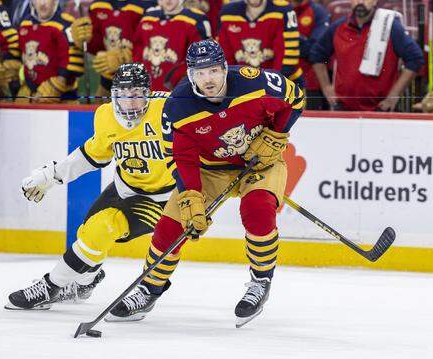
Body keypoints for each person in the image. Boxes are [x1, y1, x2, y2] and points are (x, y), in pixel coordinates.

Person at [107, 39, 304, 327]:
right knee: (171, 228)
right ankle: (149, 288)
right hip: (209, 169)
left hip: (259, 162)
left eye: (212, 71)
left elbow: (296, 98)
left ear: (225, 68)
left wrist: (276, 134)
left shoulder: (256, 82)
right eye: (199, 73)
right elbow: (181, 157)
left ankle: (260, 281)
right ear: (189, 75)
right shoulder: (177, 107)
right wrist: (190, 196)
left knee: (257, 211)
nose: (207, 79)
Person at [5, 63, 176, 310]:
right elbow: (92, 155)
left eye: (137, 94)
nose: (130, 102)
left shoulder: (166, 111)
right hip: (122, 188)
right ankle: (86, 281)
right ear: (114, 94)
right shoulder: (105, 115)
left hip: (160, 200)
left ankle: (50, 287)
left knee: (101, 229)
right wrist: (51, 176)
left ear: (147, 93)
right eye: (124, 94)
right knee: (88, 233)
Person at [310, 0, 424, 111]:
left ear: (375, 1)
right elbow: (317, 54)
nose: (360, 2)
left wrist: (394, 95)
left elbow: (415, 59)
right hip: (344, 108)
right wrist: (326, 88)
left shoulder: (390, 26)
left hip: (380, 108)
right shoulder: (338, 27)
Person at [72, 0, 155, 99]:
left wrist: (124, 58)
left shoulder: (149, 6)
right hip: (108, 76)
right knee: (102, 110)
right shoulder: (96, 6)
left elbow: (149, 46)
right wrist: (84, 41)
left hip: (139, 80)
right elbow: (97, 46)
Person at [218, 0, 303, 89]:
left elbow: (289, 56)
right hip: (243, 86)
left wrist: (273, 85)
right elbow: (225, 57)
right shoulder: (227, 12)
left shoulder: (284, 10)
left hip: (285, 83)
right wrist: (234, 83)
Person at [130, 0, 211, 91]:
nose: (168, 0)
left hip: (178, 90)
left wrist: (180, 81)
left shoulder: (196, 19)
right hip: (148, 89)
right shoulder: (148, 17)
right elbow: (137, 51)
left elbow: (201, 58)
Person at [15, 0, 83, 103]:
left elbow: (73, 62)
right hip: (30, 91)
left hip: (62, 96)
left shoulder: (66, 23)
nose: (42, 3)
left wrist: (58, 83)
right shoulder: (25, 24)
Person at [289, 0, 329, 110]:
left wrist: (287, 39)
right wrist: (302, 40)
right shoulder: (277, 10)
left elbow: (315, 49)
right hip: (279, 79)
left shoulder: (318, 11)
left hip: (309, 83)